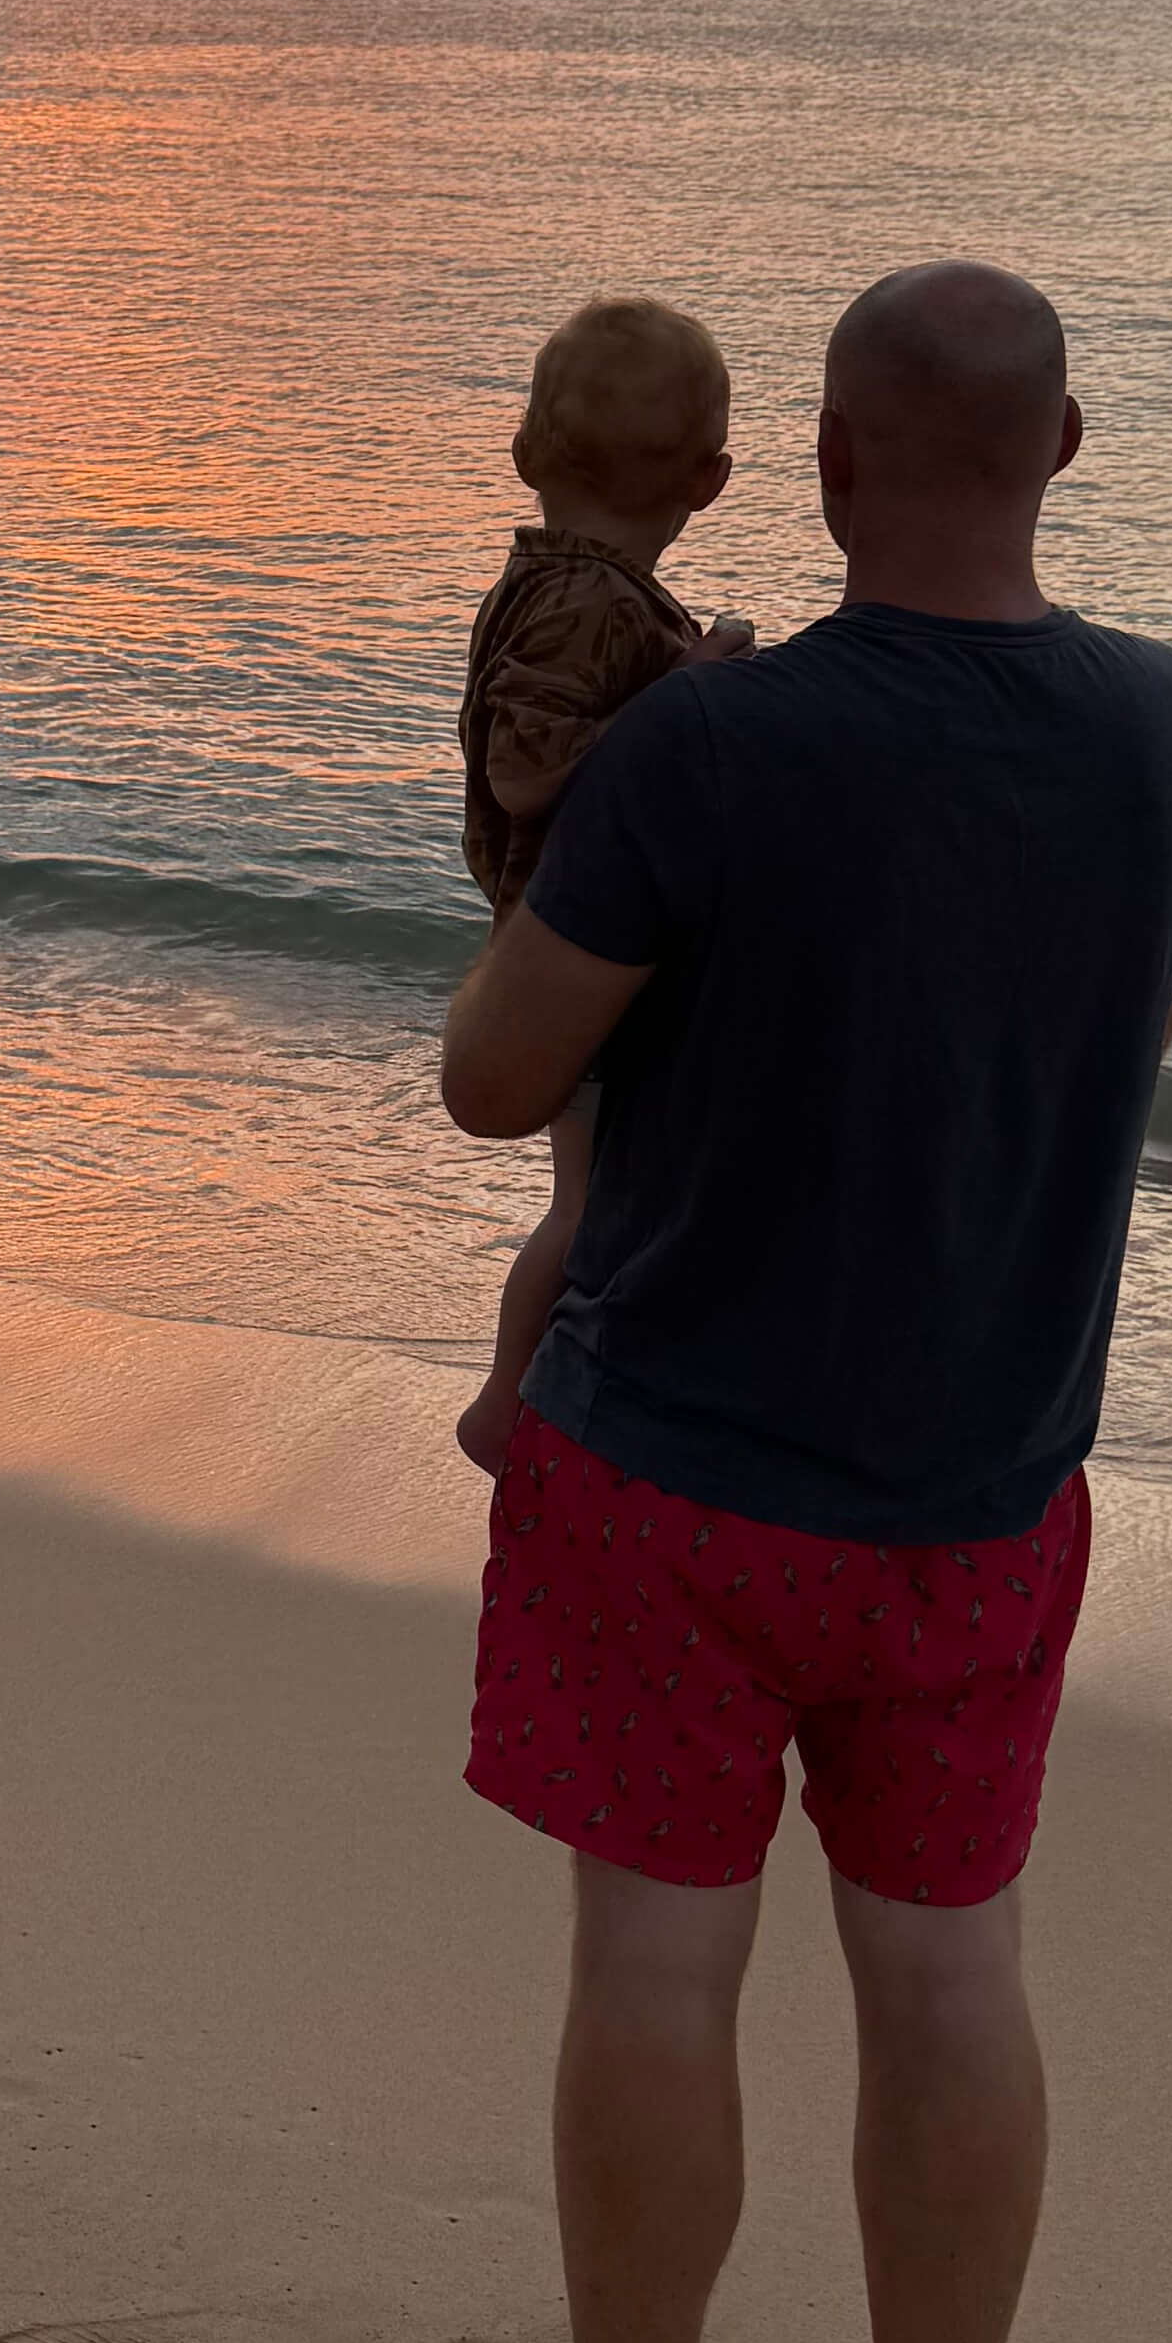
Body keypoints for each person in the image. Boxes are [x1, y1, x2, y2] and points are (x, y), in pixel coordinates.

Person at [428, 262, 1172, 2343]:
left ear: (817, 462)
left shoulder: (705, 753)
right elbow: (1130, 1032)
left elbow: (492, 1075)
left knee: (660, 1976)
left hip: (667, 1470)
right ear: (1065, 453)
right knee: (950, 1975)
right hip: (977, 1493)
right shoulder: (1170, 737)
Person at [450, 299, 752, 1481]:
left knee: (602, 1192)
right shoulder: (586, 601)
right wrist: (689, 693)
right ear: (713, 480)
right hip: (568, 952)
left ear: (527, 456)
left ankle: (547, 1384)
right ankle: (507, 1401)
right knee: (586, 1203)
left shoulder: (568, 590)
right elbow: (530, 769)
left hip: (568, 942)